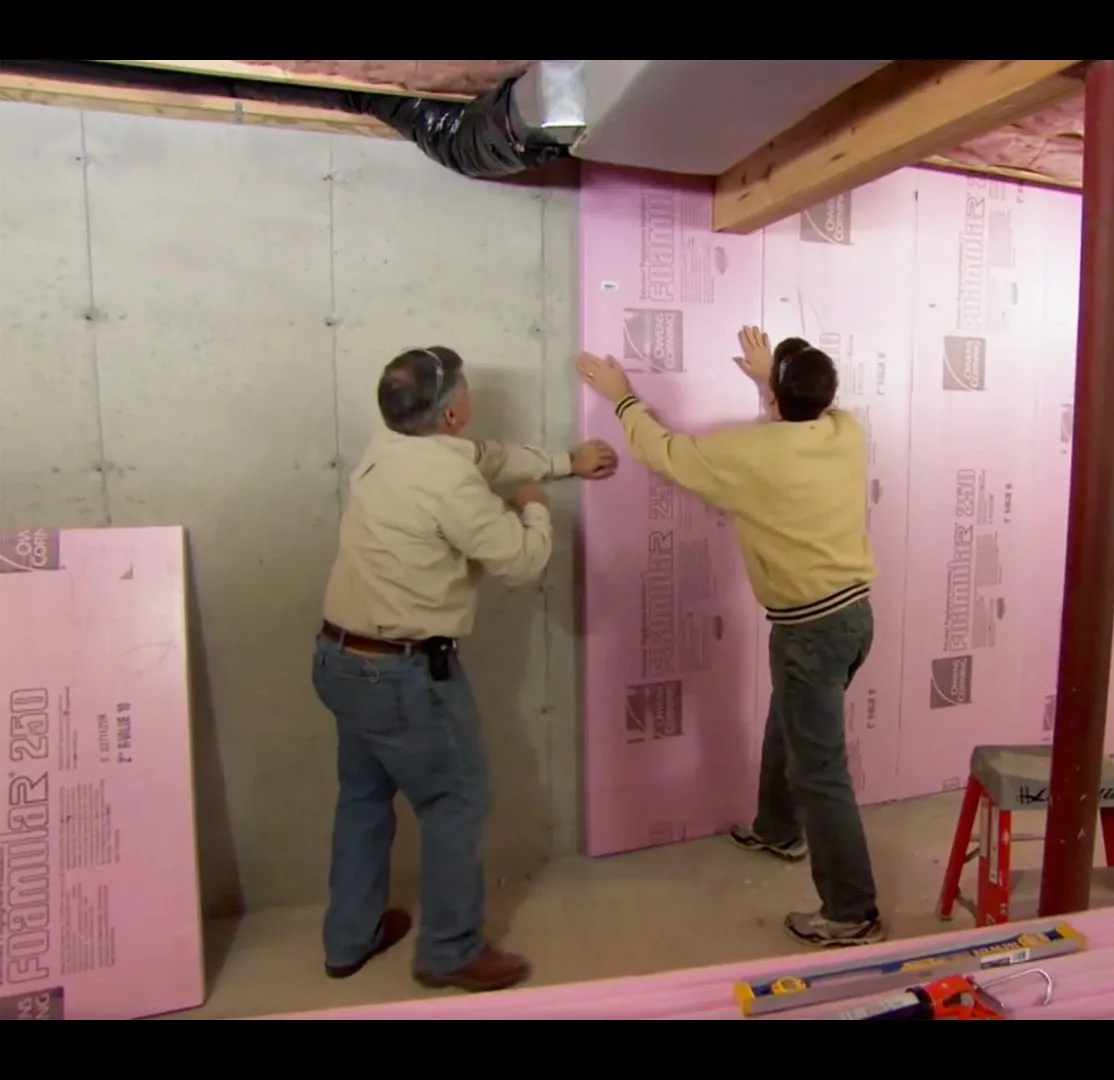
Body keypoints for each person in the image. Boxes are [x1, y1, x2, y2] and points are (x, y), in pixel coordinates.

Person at [314, 345, 617, 992]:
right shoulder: (448, 482)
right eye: (467, 392)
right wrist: (535, 506)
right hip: (402, 677)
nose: (472, 399)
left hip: (340, 659)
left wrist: (566, 462)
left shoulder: (388, 446)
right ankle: (450, 954)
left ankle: (349, 937)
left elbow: (489, 456)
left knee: (364, 798)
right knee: (456, 803)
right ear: (452, 412)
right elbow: (519, 561)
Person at [576, 328, 883, 948]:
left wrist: (622, 398)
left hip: (810, 629)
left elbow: (665, 453)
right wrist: (773, 382)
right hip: (851, 620)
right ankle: (777, 828)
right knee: (790, 719)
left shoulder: (753, 453)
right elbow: (801, 412)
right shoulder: (845, 432)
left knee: (820, 771)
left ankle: (853, 911)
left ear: (775, 400)